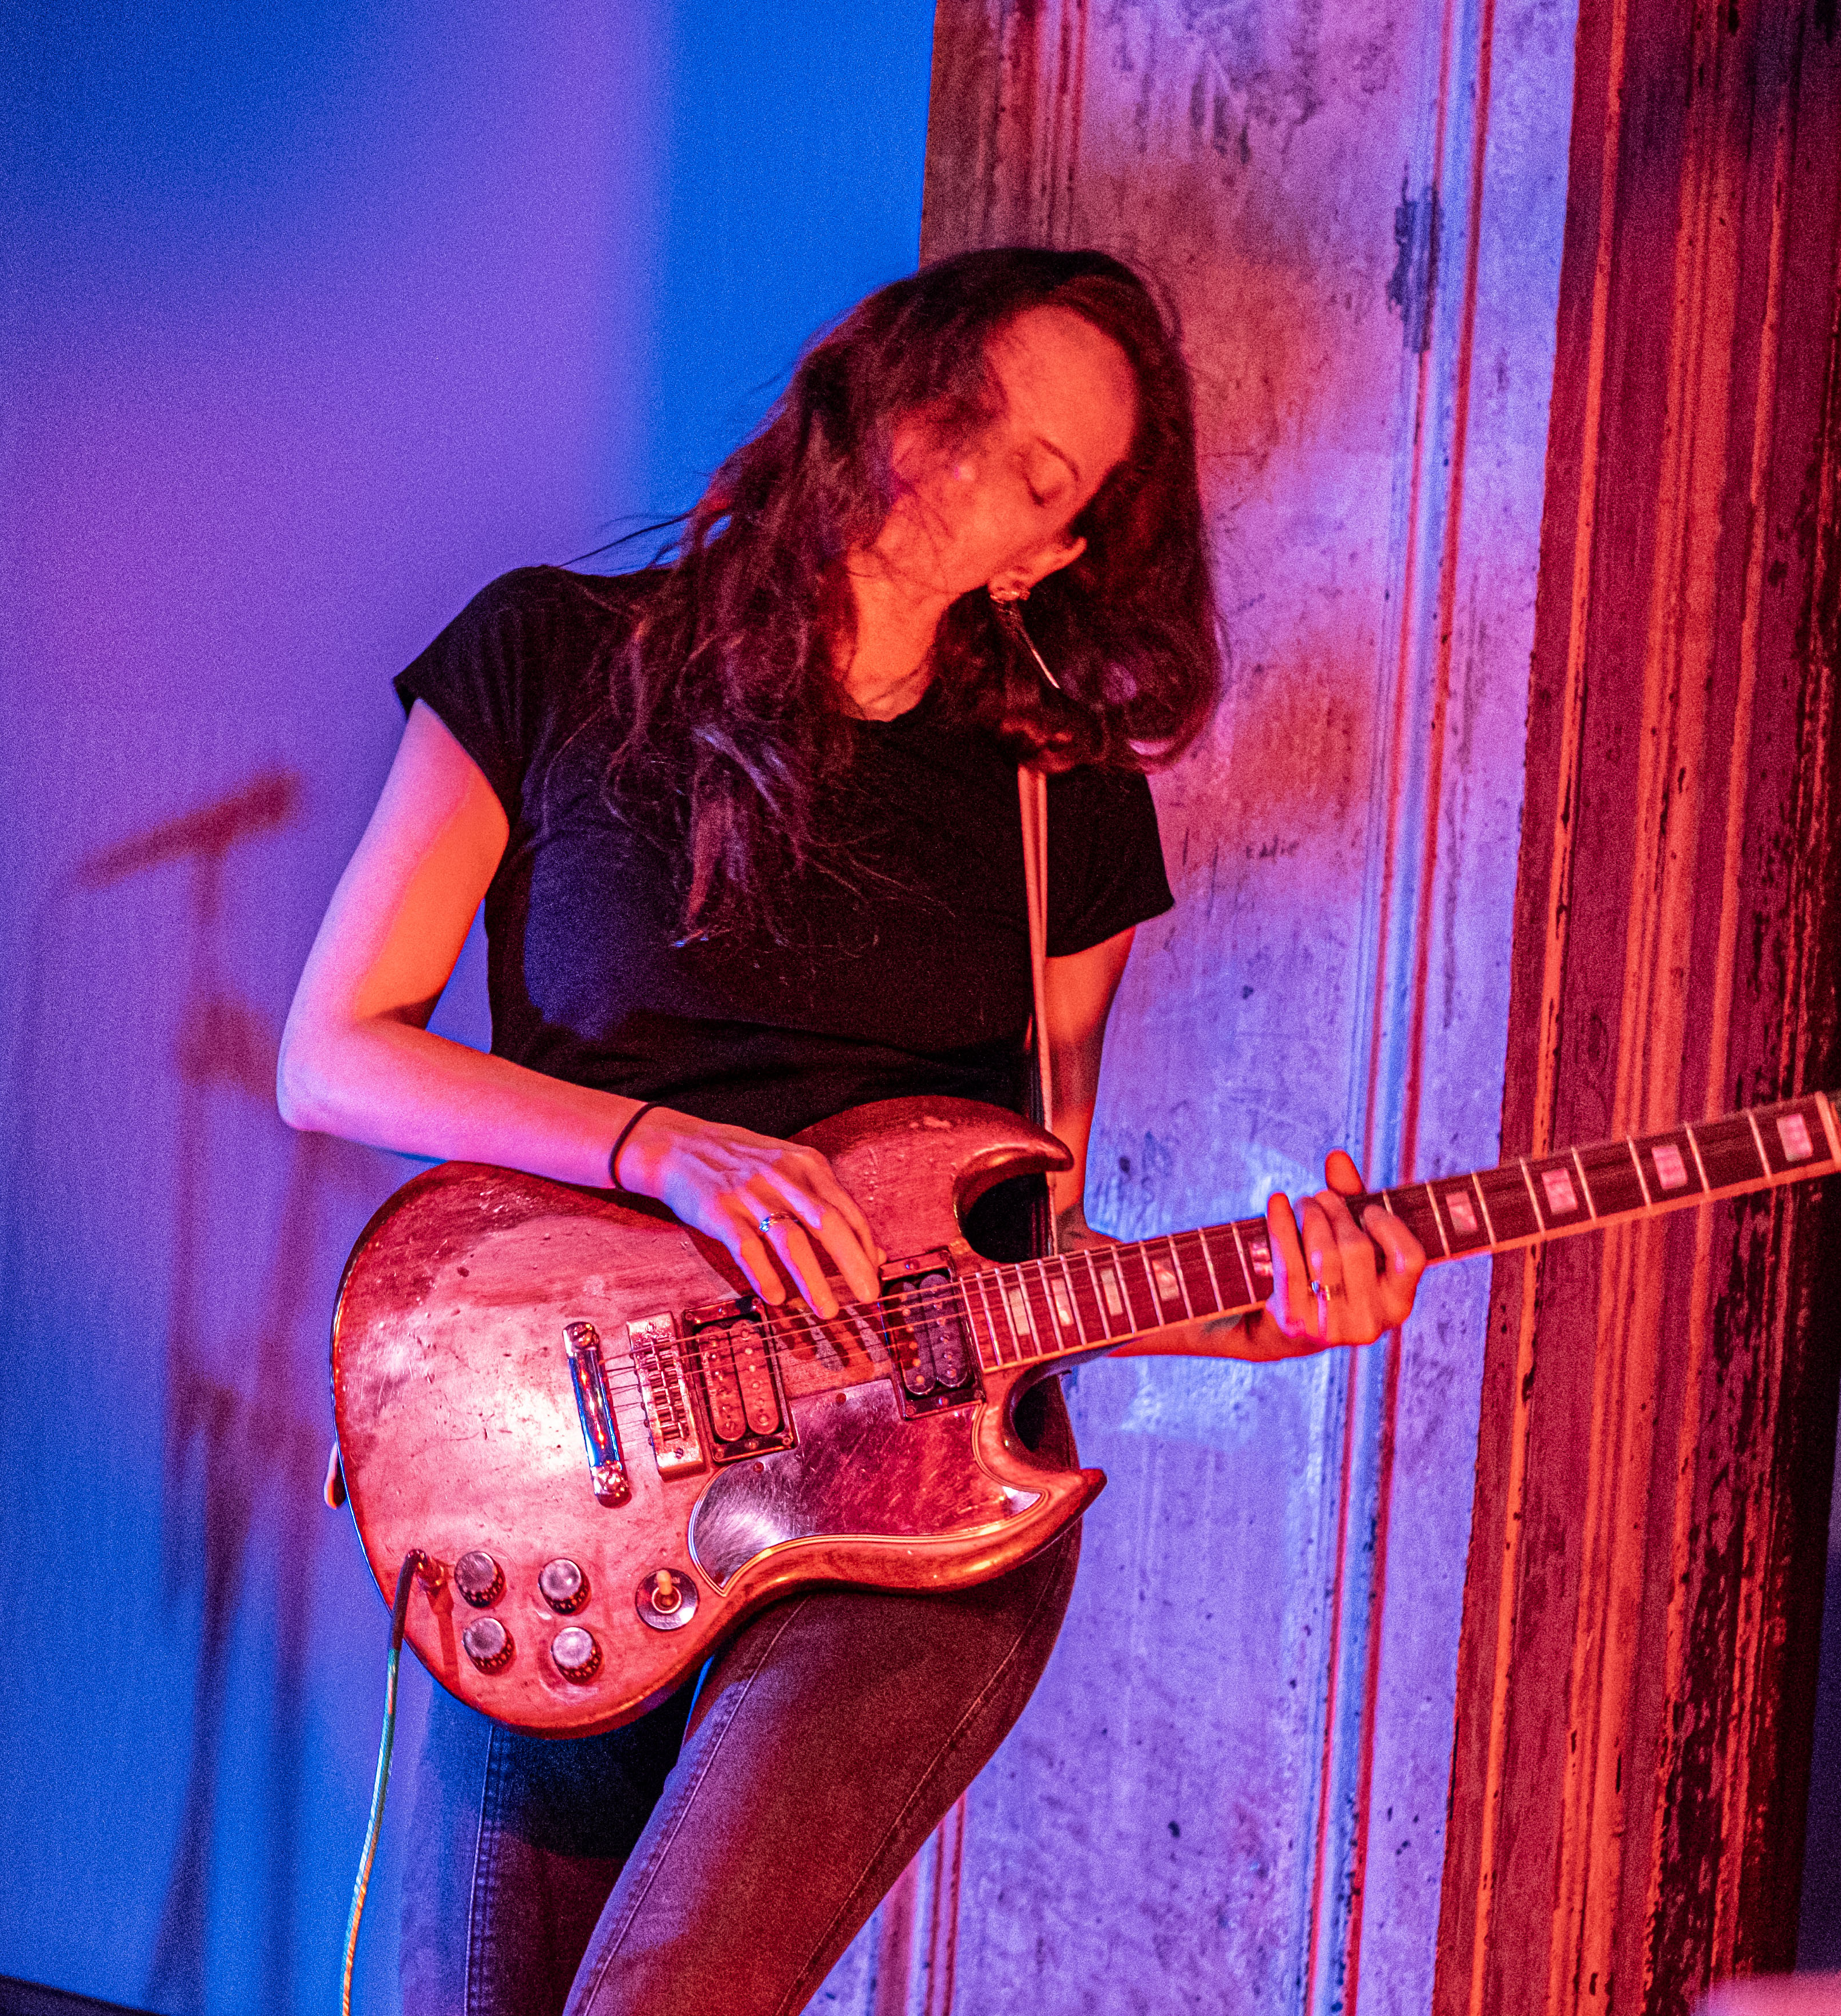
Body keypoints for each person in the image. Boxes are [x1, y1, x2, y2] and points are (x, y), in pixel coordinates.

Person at [274, 247, 1426, 2015]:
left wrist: (1258, 1323)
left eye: (1035, 480)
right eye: (964, 411)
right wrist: (662, 1146)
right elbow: (335, 1053)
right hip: (581, 1458)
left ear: (1051, 555)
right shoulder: (549, 658)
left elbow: (1022, 1264)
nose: (962, 475)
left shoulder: (1063, 812)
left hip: (906, 1511)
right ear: (882, 371)